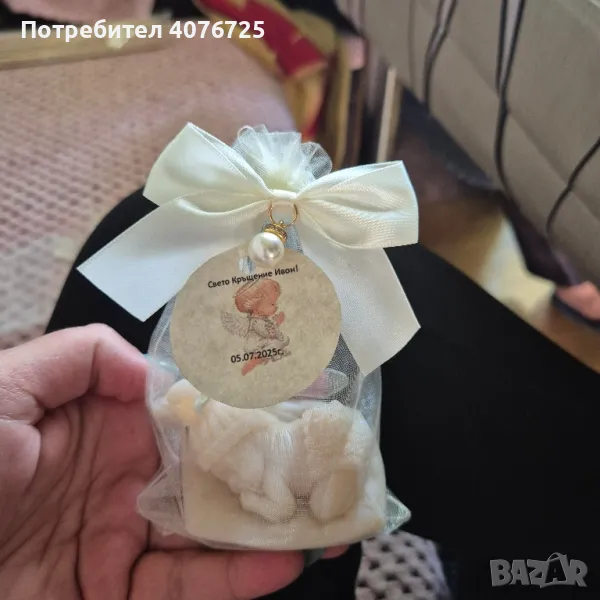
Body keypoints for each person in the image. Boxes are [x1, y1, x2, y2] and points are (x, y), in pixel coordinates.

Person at [37, 189, 600, 599]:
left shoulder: (291, 445)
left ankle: (509, 566)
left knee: (155, 225)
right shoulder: (256, 447)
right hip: (249, 447)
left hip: (263, 442)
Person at [0, 324, 348, 600]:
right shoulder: (216, 422)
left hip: (239, 439)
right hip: (226, 440)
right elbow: (172, 402)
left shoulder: (256, 450)